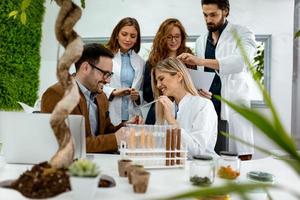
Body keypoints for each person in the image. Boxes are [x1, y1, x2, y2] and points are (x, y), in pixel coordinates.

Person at [178, 0, 257, 160]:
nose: (208, 20)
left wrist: (200, 61)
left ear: (226, 11)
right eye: (205, 15)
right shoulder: (201, 41)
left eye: (213, 14)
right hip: (209, 105)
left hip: (233, 105)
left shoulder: (243, 33)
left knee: (239, 157)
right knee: (207, 155)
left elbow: (241, 62)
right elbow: (204, 74)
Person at [41, 43, 139, 153]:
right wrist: (115, 139)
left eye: (110, 75)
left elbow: (106, 132)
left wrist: (125, 127)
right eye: (105, 74)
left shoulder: (101, 97)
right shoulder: (57, 95)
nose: (108, 81)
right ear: (86, 68)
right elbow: (70, 144)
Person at [152, 57, 218, 157]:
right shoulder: (167, 107)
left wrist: (172, 121)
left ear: (179, 76)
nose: (158, 85)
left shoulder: (204, 105)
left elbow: (197, 151)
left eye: (161, 79)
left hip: (201, 168)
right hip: (174, 167)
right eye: (157, 81)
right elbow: (157, 146)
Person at [143, 18, 194, 125]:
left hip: (185, 108)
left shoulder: (189, 59)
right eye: (169, 37)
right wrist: (165, 89)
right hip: (160, 109)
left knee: (181, 137)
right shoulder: (153, 62)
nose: (173, 40)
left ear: (182, 37)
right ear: (162, 38)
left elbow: (194, 86)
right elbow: (147, 95)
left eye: (177, 36)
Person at [105, 17, 145, 125]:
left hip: (132, 115)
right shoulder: (105, 57)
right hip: (110, 112)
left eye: (133, 36)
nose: (128, 39)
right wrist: (113, 92)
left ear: (137, 39)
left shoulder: (140, 62)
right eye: (124, 34)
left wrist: (137, 97)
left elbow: (141, 89)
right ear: (117, 34)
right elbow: (96, 85)